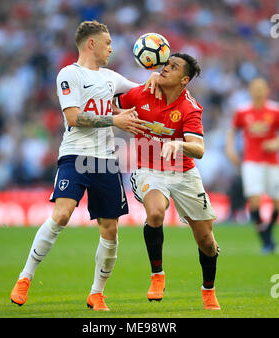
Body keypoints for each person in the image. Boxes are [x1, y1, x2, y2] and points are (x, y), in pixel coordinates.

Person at [10, 20, 160, 312]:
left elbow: (141, 91)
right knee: (62, 214)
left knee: (110, 229)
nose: (111, 48)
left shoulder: (111, 77)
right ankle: (25, 278)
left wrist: (153, 79)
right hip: (75, 155)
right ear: (91, 44)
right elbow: (74, 118)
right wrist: (115, 120)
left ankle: (96, 293)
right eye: (108, 43)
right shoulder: (70, 74)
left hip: (105, 161)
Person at [115, 53, 221, 310]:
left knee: (207, 242)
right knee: (155, 213)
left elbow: (199, 149)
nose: (165, 69)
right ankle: (157, 276)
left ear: (184, 80)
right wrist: (119, 116)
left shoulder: (190, 107)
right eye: (165, 65)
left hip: (184, 174)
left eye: (173, 68)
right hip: (149, 169)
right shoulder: (142, 93)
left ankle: (208, 291)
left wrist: (178, 143)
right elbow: (107, 102)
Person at [226, 78, 279, 254]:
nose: (258, 91)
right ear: (250, 90)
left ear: (266, 90)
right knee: (254, 200)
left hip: (272, 162)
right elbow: (232, 132)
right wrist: (230, 148)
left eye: (261, 88)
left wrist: (276, 143)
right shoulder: (242, 111)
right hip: (251, 162)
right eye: (255, 88)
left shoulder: (274, 110)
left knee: (276, 203)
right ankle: (266, 241)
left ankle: (268, 234)